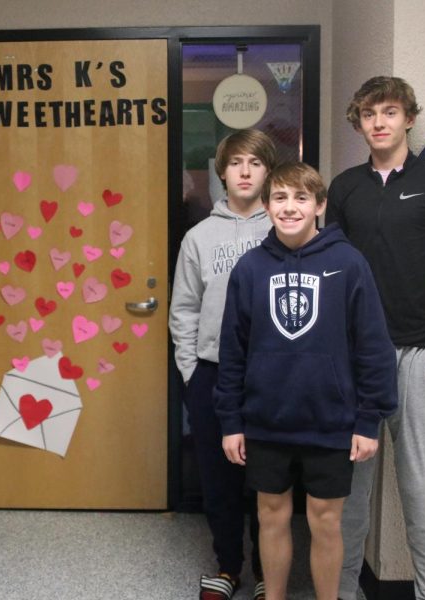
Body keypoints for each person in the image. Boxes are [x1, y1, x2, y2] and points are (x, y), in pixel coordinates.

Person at [215, 162, 398, 600]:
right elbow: (232, 351)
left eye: (301, 198)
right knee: (271, 515)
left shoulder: (349, 263)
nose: (290, 207)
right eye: (280, 198)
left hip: (331, 420)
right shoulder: (250, 268)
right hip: (265, 420)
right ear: (266, 206)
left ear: (320, 205)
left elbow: (372, 345)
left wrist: (368, 419)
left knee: (326, 521)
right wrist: (231, 421)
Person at [329, 77, 425, 600]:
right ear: (359, 123)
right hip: (354, 363)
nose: (379, 122)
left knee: (420, 491)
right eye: (369, 114)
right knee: (351, 495)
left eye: (389, 112)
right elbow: (330, 272)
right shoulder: (345, 188)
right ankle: (346, 591)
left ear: (408, 119)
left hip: (416, 356)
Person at [170, 128, 276, 600]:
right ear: (222, 172)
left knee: (269, 480)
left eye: (255, 162)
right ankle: (229, 567)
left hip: (273, 376)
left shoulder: (284, 227)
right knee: (220, 479)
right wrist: (192, 373)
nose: (246, 171)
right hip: (212, 374)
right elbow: (184, 311)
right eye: (236, 163)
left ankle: (266, 572)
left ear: (268, 171)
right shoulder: (199, 237)